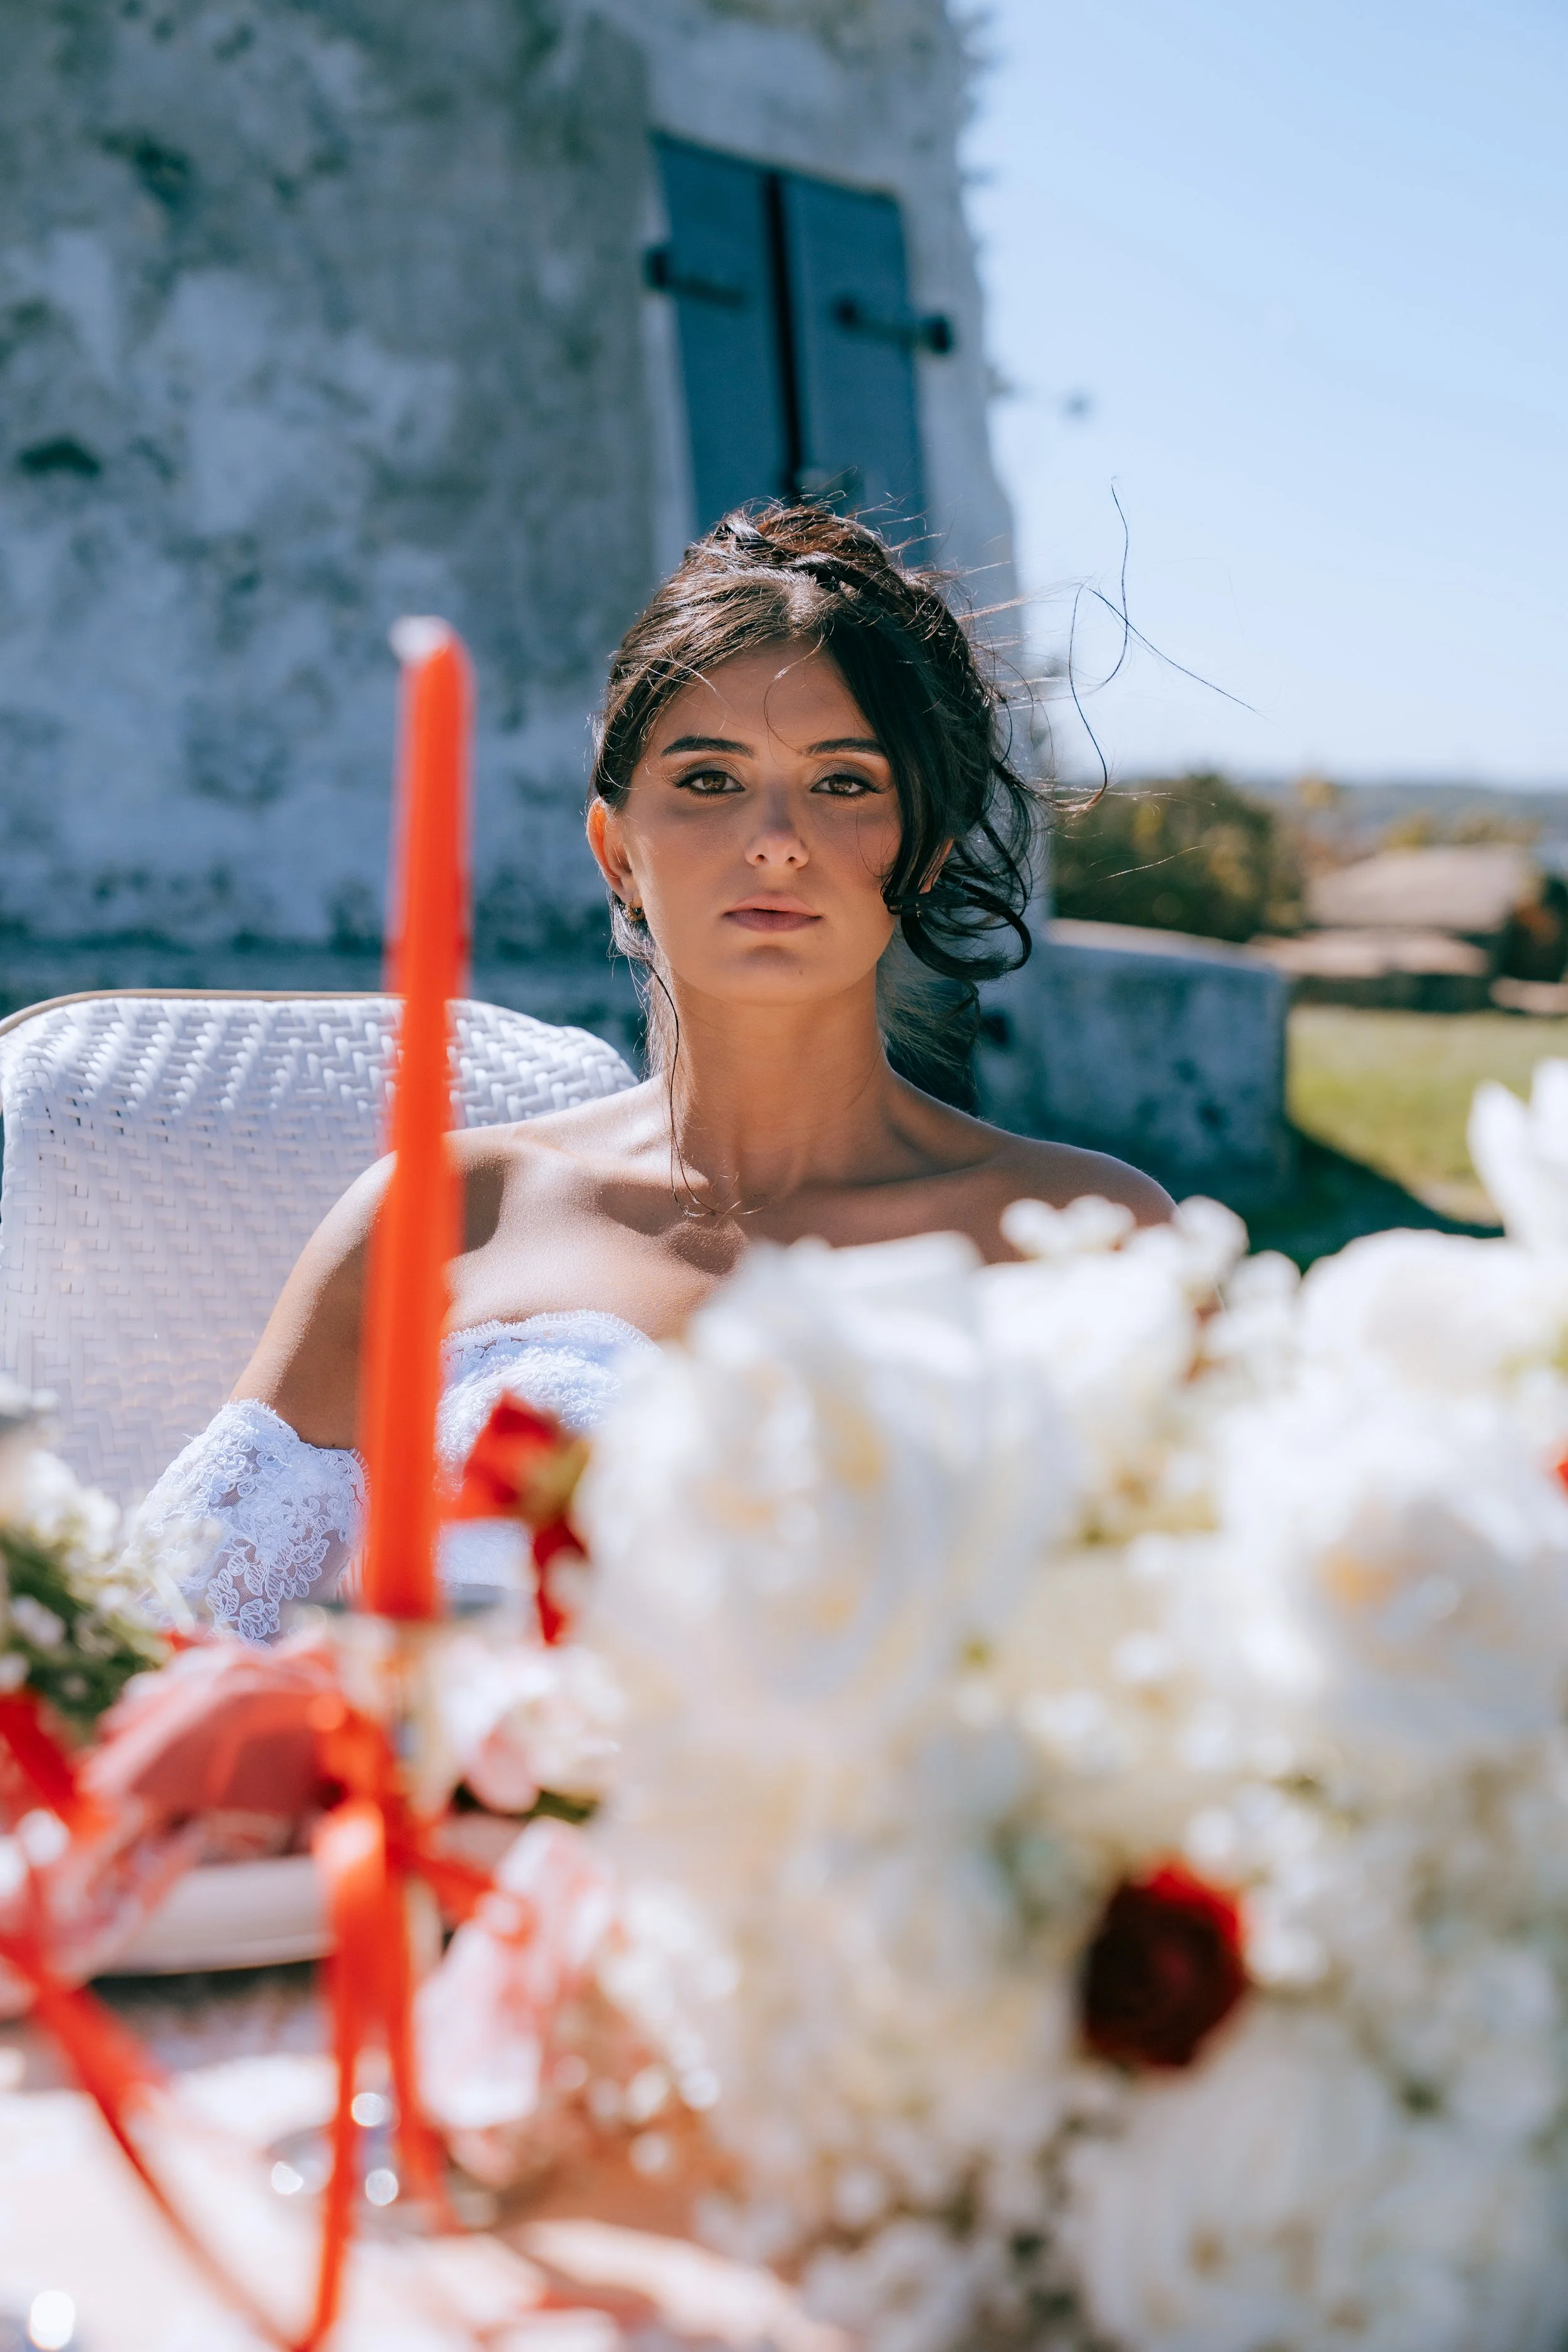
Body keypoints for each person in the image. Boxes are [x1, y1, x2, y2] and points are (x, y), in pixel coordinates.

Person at [134, 504, 1169, 1638]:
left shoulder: (1089, 1238)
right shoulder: (444, 1214)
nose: (776, 837)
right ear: (615, 851)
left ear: (919, 847)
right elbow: (167, 1636)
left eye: (844, 783)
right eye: (712, 781)